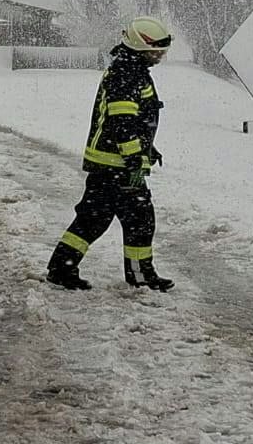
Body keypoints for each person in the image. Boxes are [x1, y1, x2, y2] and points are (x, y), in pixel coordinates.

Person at [47, 16, 176, 292]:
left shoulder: (128, 69)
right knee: (140, 219)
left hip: (108, 164)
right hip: (116, 165)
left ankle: (61, 268)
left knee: (92, 220)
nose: (161, 56)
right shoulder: (127, 74)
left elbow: (133, 121)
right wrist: (133, 159)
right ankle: (140, 275)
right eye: (157, 51)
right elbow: (123, 122)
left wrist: (147, 147)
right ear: (142, 47)